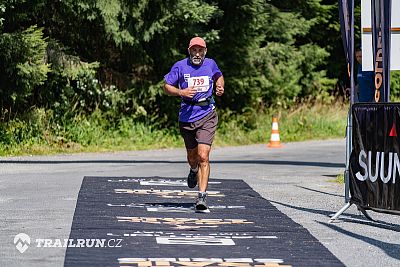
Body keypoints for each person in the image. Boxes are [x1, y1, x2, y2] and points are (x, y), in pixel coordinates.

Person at [163, 36, 224, 212]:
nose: (197, 53)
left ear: (205, 52)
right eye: (194, 50)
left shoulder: (211, 64)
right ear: (189, 51)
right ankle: (192, 169)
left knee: (203, 155)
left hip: (207, 114)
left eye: (200, 50)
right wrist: (181, 91)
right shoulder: (180, 66)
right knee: (192, 156)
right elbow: (166, 86)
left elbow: (219, 76)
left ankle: (202, 197)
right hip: (187, 116)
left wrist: (220, 86)